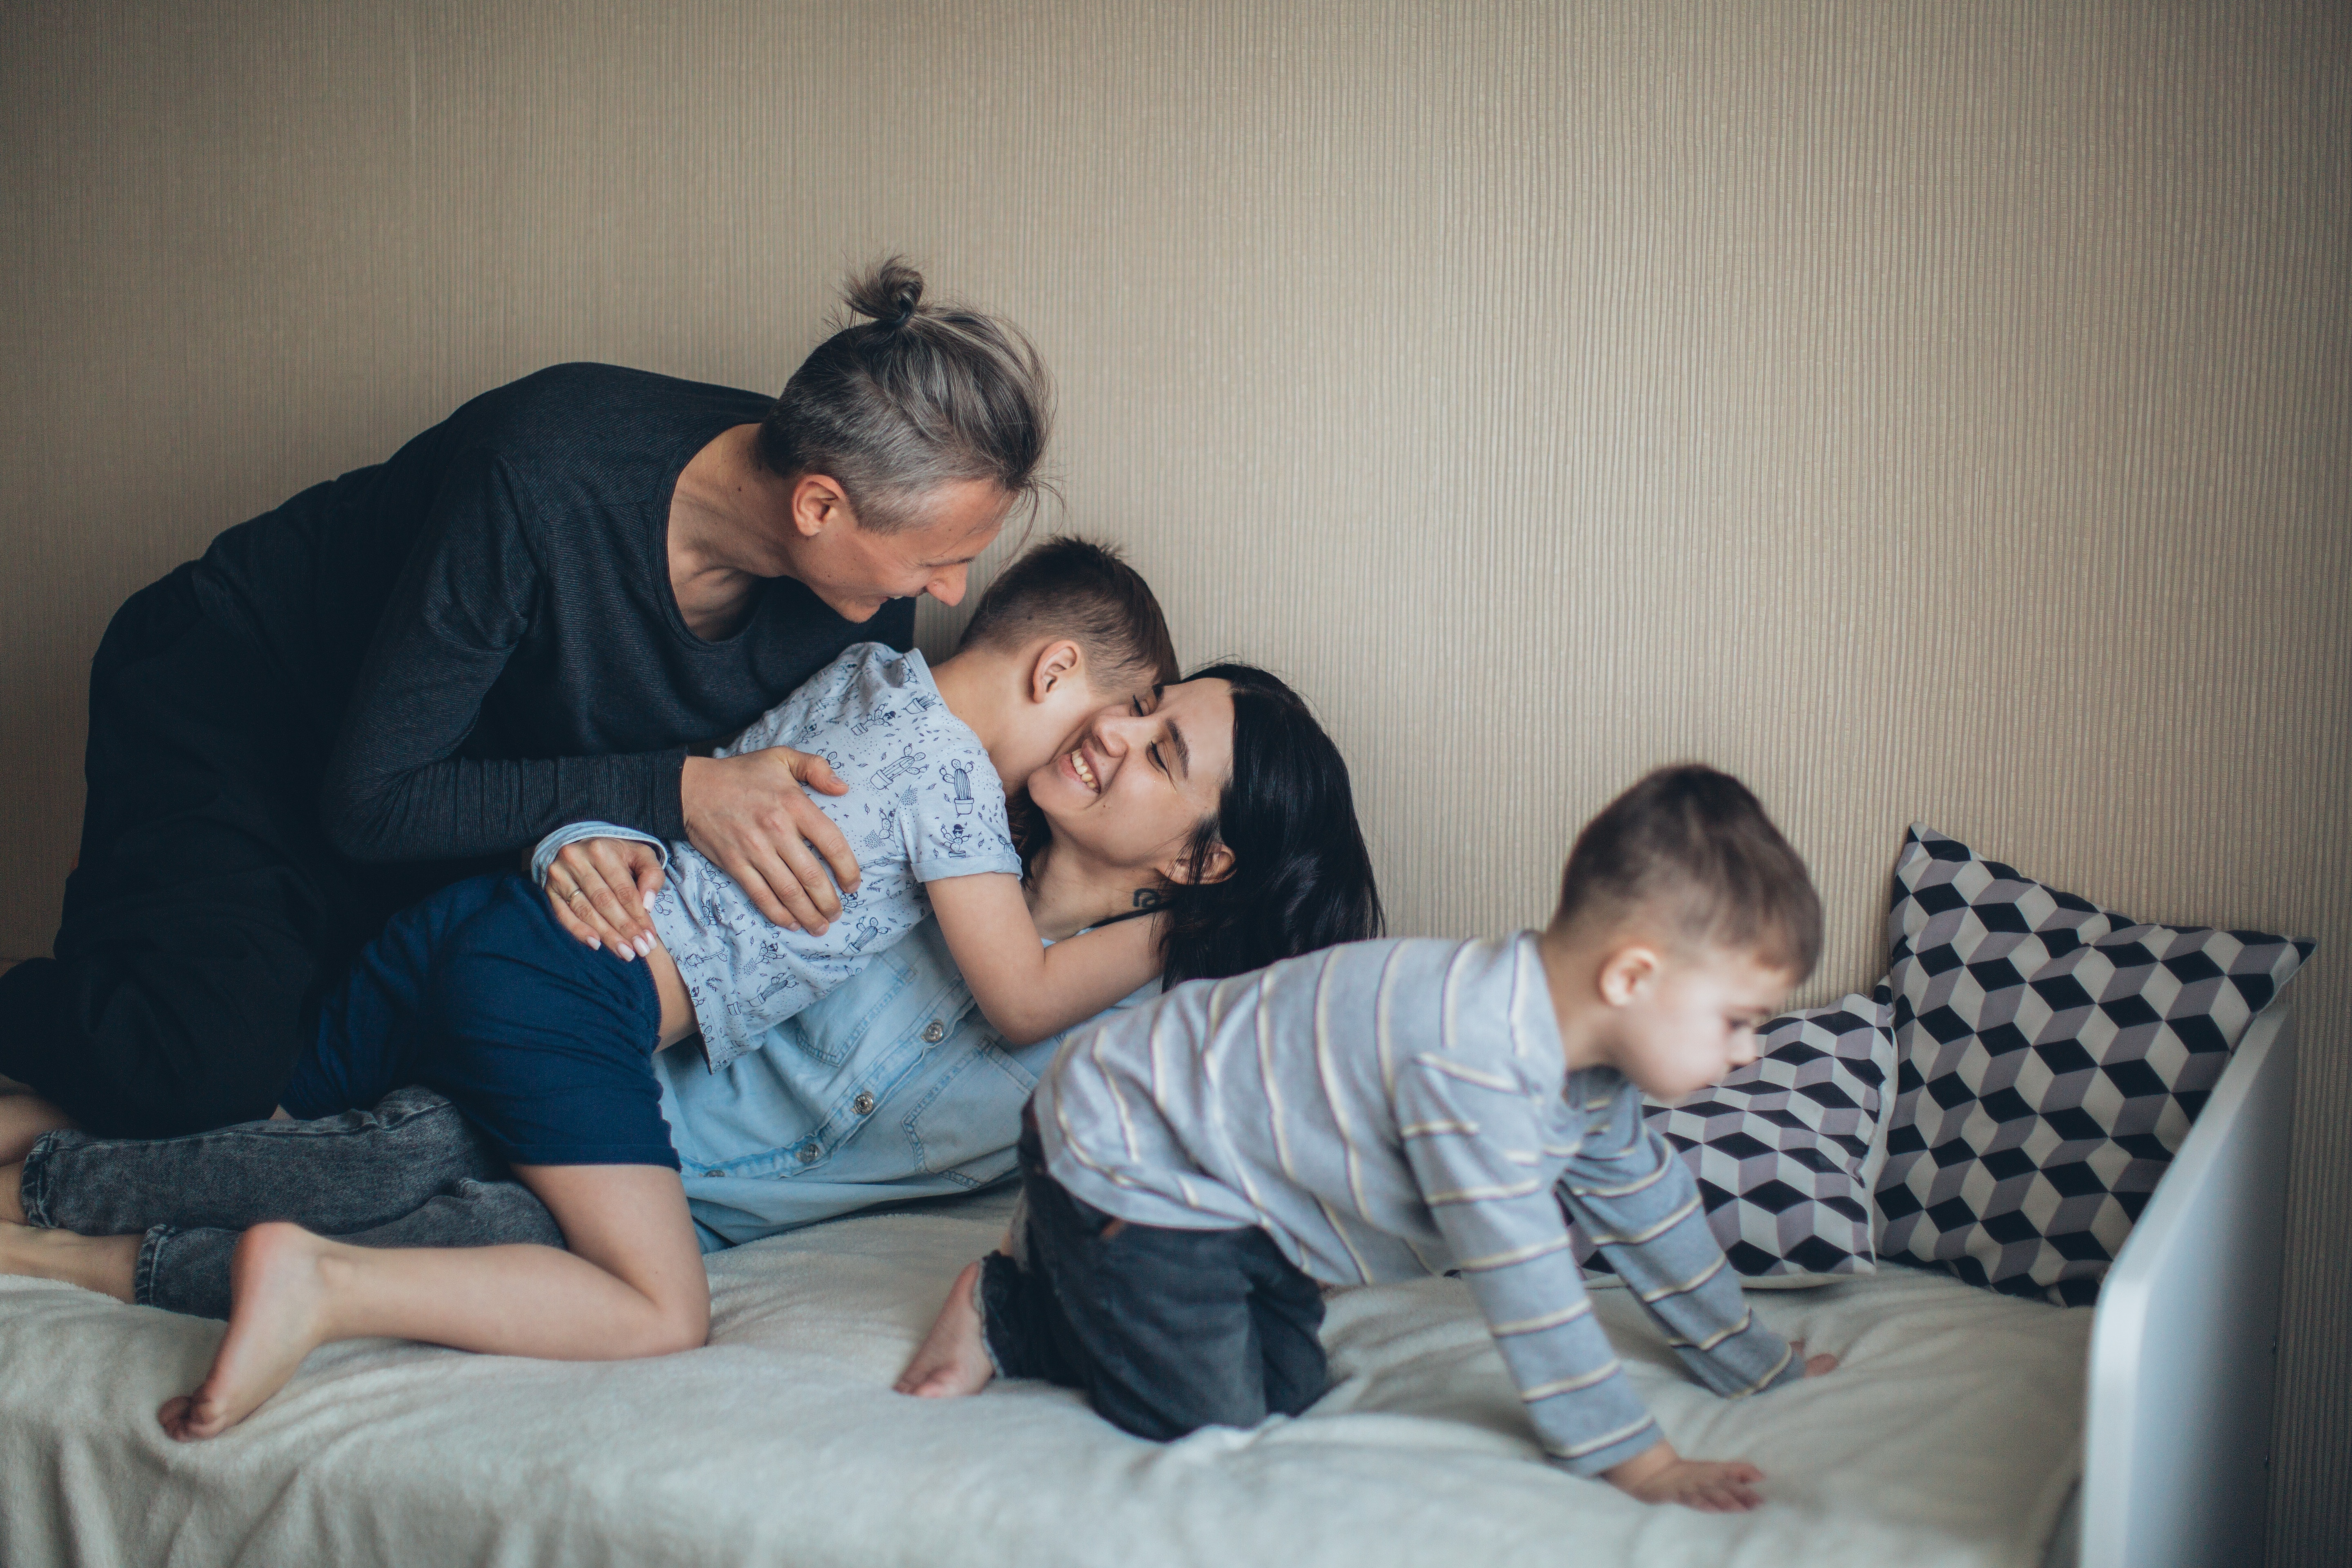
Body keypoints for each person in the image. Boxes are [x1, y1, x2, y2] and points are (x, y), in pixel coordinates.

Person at [0, 258, 1048, 1152]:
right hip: (246, 699)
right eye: (944, 560)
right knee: (198, 1069)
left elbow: (709, 822)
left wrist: (592, 831)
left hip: (454, 787)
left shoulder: (860, 613)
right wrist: (664, 791)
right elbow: (373, 801)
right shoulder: (543, 474)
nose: (953, 593)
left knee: (374, 1074)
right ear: (820, 505)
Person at [0, 658, 1383, 1322]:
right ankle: (42, 1158)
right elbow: (697, 820)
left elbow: (1235, 1163)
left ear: (1206, 858)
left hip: (641, 1202)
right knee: (408, 1139)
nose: (1113, 732)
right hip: (564, 1072)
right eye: (1144, 707)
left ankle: (55, 1242)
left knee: (460, 1219)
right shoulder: (916, 830)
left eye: (1159, 751)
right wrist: (576, 847)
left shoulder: (1145, 1042)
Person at [896, 764, 1841, 1514]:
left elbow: (1647, 1204)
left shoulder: (1581, 1071)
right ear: (1632, 977)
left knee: (1289, 1387)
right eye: (1738, 1020)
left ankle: (1086, 1274)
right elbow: (1530, 1285)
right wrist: (1643, 1465)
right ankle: (1009, 1308)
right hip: (1128, 1146)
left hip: (1238, 1189)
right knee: (1205, 1415)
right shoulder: (1472, 1066)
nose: (1750, 1053)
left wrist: (1751, 1361)